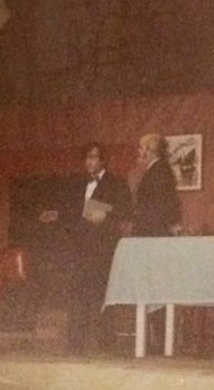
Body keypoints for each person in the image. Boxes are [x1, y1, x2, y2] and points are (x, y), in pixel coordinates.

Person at [38, 142, 131, 354]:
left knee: (101, 295)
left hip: (103, 248)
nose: (90, 162)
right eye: (87, 157)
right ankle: (75, 344)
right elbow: (74, 210)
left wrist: (105, 213)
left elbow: (126, 210)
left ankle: (106, 344)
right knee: (77, 294)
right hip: (79, 248)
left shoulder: (116, 182)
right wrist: (57, 215)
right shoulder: (79, 183)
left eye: (94, 157)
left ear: (103, 160)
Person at [132, 133, 181, 236]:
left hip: (154, 227)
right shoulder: (158, 168)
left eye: (141, 148)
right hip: (153, 225)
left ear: (150, 151)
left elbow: (161, 201)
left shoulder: (159, 169)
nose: (139, 151)